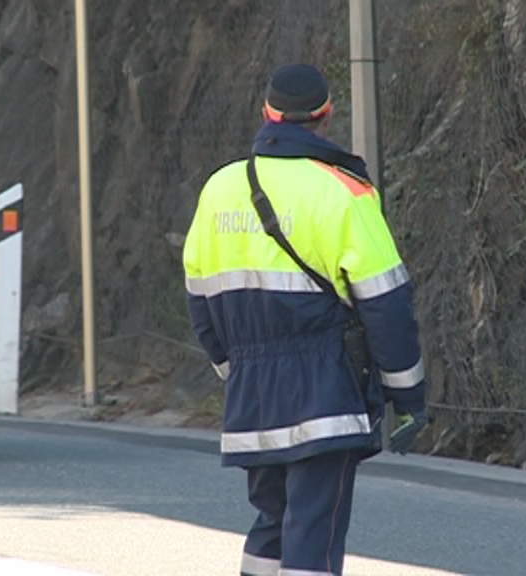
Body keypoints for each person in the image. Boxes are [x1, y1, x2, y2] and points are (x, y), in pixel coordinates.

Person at [182, 63, 428, 576]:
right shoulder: (344, 191)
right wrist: (407, 399)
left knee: (271, 521)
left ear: (267, 113)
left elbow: (200, 300)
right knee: (314, 532)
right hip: (325, 391)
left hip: (252, 393)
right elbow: (387, 304)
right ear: (326, 114)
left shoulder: (220, 189)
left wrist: (237, 371)